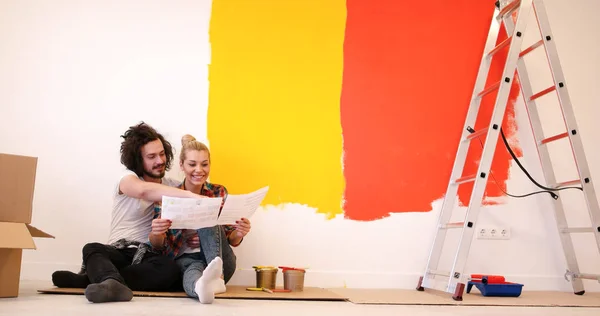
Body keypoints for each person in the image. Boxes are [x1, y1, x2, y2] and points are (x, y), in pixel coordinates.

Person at [51, 122, 207, 303]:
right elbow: (143, 191)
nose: (160, 161)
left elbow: (196, 196)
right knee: (92, 248)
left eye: (162, 153)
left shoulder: (173, 186)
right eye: (151, 156)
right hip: (119, 252)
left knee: (170, 270)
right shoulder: (126, 179)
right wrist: (188, 195)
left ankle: (99, 279)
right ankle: (108, 280)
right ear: (138, 159)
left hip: (149, 257)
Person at [149, 134, 251, 304]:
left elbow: (231, 240)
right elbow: (158, 245)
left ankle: (217, 277)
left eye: (204, 164)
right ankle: (202, 287)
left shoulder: (219, 192)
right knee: (193, 272)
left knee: (209, 219)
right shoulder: (168, 196)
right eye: (192, 164)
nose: (199, 170)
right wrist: (156, 232)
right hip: (186, 259)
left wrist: (240, 233)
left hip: (222, 263)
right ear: (181, 165)